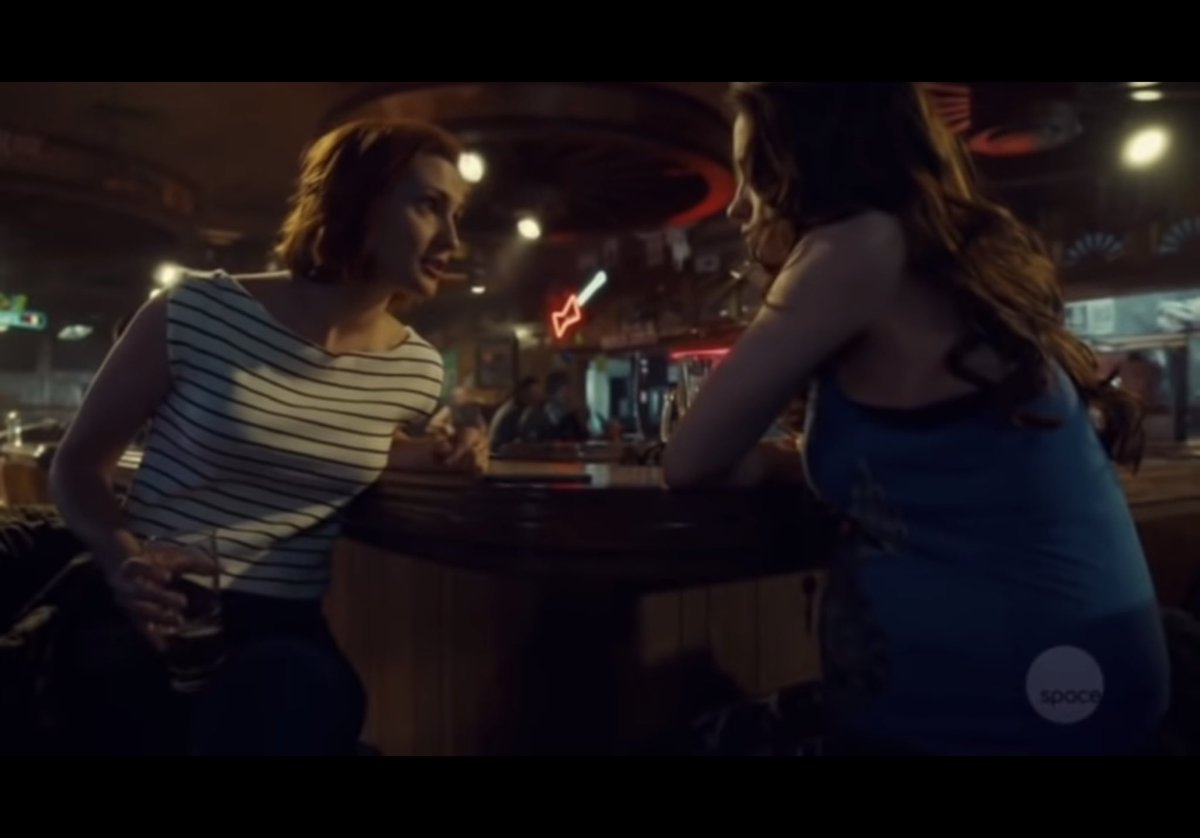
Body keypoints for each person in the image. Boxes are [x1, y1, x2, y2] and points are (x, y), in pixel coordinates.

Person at [663, 82, 1169, 755]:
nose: (736, 206)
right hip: (1062, 688)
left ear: (809, 162)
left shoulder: (858, 246)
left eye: (754, 173)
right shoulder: (918, 260)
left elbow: (687, 459)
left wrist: (756, 460)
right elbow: (928, 466)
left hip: (1027, 715)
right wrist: (778, 464)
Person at [49, 118, 486, 755]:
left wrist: (450, 451)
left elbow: (336, 440)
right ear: (359, 203)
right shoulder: (193, 310)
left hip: (285, 626)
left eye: (456, 214)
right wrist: (123, 562)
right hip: (153, 602)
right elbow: (76, 466)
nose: (452, 238)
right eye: (429, 206)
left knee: (298, 687)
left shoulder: (415, 369)